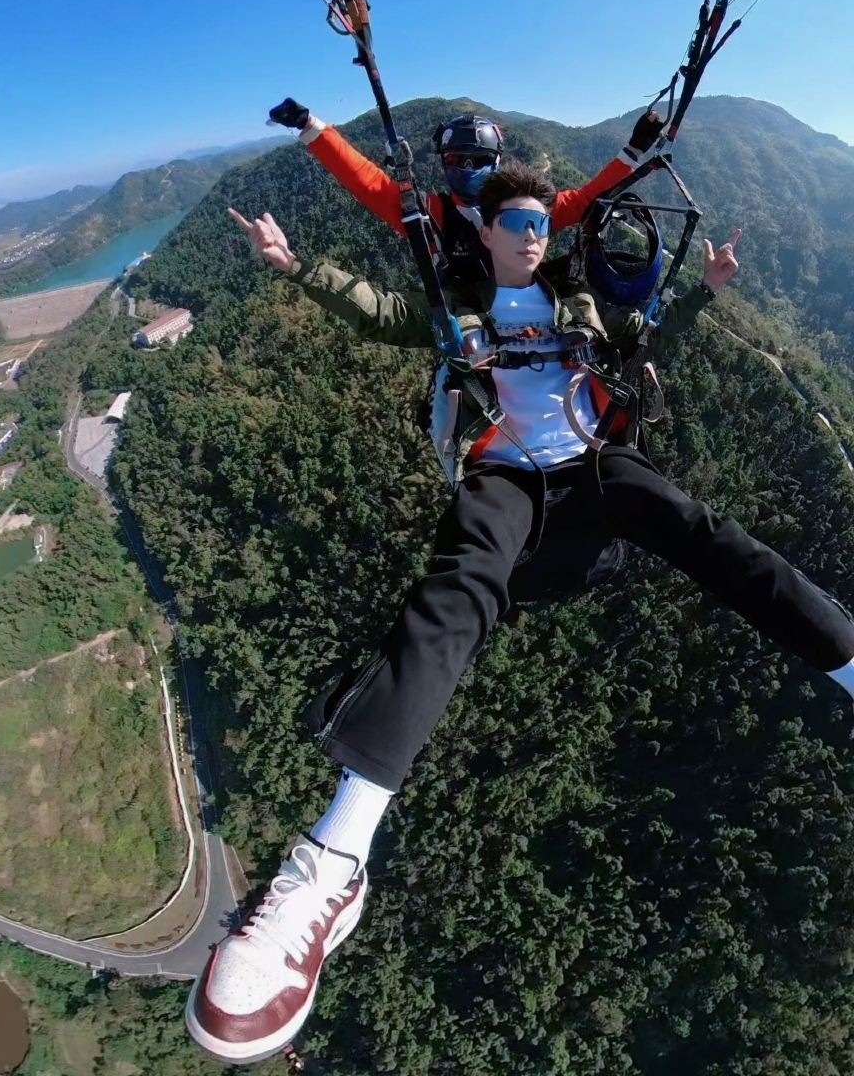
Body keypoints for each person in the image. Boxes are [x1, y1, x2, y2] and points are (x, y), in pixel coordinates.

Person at [187, 163, 854, 1065]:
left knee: (707, 533)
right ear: (489, 232)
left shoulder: (573, 304)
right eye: (521, 224)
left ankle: (845, 657)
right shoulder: (456, 307)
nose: (537, 235)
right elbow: (375, 312)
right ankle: (332, 864)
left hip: (590, 464)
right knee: (455, 587)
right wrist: (293, 266)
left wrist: (704, 290)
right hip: (505, 477)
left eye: (545, 223)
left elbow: (641, 339)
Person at [270, 97, 666, 285]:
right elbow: (368, 182)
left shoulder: (528, 208)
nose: (468, 169)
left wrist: (633, 151)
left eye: (477, 159)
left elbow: (585, 199)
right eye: (458, 160)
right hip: (468, 325)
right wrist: (311, 128)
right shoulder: (433, 216)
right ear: (443, 162)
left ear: (496, 160)